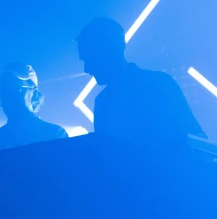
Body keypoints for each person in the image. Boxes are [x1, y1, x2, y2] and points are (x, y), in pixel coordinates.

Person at [76, 17, 205, 145]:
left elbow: (194, 137)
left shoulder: (159, 85)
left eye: (91, 58)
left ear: (113, 50)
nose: (86, 69)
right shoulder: (159, 83)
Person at [0, 63, 68, 156]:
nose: (7, 94)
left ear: (35, 95)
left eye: (15, 88)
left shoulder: (54, 134)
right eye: (3, 88)